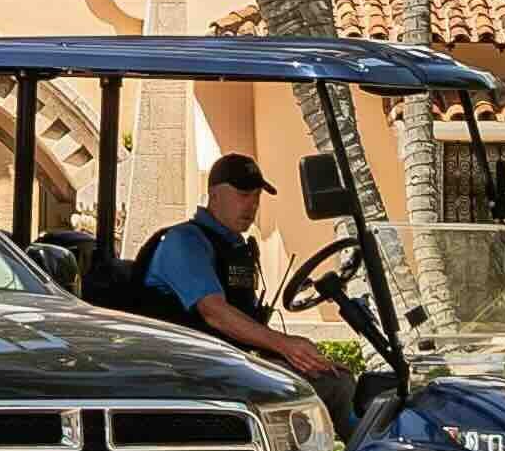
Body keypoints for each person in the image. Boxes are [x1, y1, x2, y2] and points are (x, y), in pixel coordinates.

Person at [128, 153, 350, 383]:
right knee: (333, 386)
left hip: (226, 362)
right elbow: (215, 314)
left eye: (257, 196)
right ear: (214, 196)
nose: (252, 205)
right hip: (185, 370)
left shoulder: (235, 247)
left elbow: (243, 313)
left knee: (335, 377)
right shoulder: (185, 242)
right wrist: (285, 345)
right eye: (243, 195)